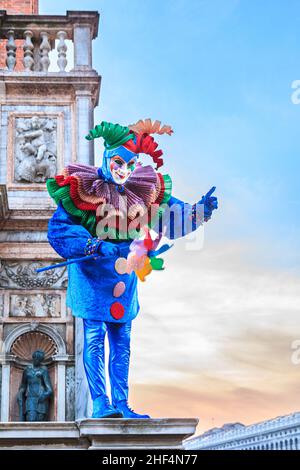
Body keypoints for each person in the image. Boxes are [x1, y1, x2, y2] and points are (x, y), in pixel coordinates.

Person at [46, 119, 218, 419]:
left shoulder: (141, 190)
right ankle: (100, 403)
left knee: (122, 340)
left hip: (123, 276)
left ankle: (122, 404)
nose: (124, 169)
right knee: (94, 337)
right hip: (91, 274)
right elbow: (59, 231)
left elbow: (169, 217)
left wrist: (198, 211)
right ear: (106, 158)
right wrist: (93, 246)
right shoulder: (85, 187)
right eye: (118, 162)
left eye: (131, 163)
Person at [17, 350, 53, 421]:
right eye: (36, 358)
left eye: (39, 359)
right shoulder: (27, 370)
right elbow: (23, 385)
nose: (37, 361)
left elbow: (49, 389)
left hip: (41, 400)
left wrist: (44, 395)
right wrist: (20, 393)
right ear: (33, 358)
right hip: (30, 398)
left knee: (40, 423)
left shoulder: (44, 370)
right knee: (31, 420)